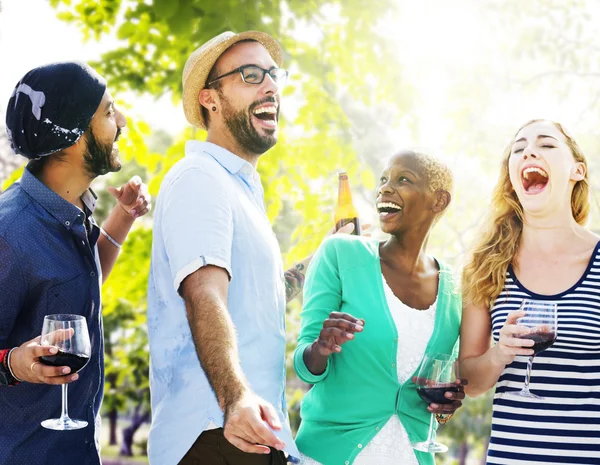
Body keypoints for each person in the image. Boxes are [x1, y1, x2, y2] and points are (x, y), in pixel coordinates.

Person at [147, 31, 356, 465]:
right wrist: (236, 397)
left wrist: (322, 256)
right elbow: (204, 293)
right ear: (211, 99)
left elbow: (257, 297)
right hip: (217, 433)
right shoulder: (200, 178)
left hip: (251, 431)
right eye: (250, 75)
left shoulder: (239, 190)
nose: (270, 86)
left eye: (273, 75)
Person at [0, 61, 150, 465]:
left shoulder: (70, 215)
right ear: (68, 137)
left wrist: (122, 218)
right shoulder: (9, 229)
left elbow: (78, 283)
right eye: (106, 111)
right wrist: (13, 363)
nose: (121, 121)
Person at [294, 150, 466, 465]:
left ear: (438, 201)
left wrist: (447, 405)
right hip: (330, 454)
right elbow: (304, 365)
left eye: (403, 180)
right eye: (384, 179)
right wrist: (321, 347)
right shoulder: (340, 254)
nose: (385, 188)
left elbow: (441, 376)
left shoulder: (455, 287)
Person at [460, 119, 600, 464]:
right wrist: (498, 354)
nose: (529, 151)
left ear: (576, 171)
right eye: (518, 148)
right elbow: (469, 381)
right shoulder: (486, 266)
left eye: (547, 145)